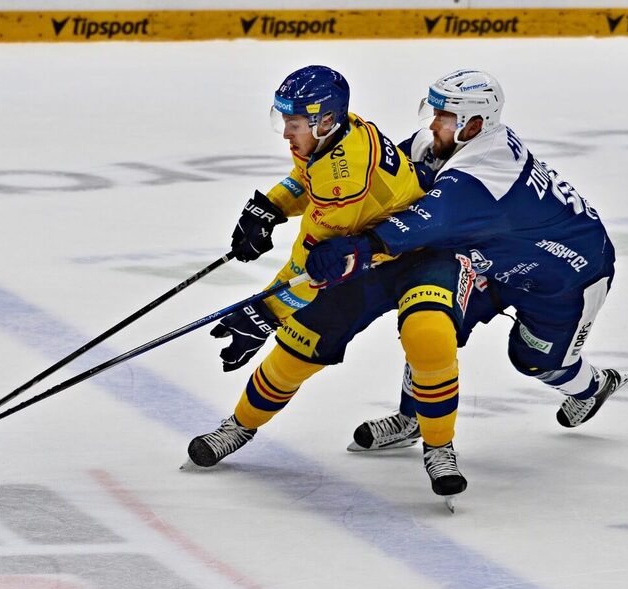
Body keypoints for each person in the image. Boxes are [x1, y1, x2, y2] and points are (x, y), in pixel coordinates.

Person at [304, 69, 628, 454]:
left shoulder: (482, 178)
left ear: (473, 125)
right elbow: (390, 169)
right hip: (495, 259)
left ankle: (594, 387)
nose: (433, 124)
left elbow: (419, 224)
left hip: (568, 275)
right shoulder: (458, 143)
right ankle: (413, 419)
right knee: (433, 322)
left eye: (443, 117)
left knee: (532, 360)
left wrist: (356, 247)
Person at [187, 65, 476, 502]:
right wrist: (269, 207)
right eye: (282, 119)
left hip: (419, 254)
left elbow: (310, 268)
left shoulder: (345, 179)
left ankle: (439, 446)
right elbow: (305, 179)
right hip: (364, 250)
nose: (286, 132)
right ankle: (239, 426)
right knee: (296, 351)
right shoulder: (331, 136)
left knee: (429, 337)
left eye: (294, 123)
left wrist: (267, 311)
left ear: (324, 120)